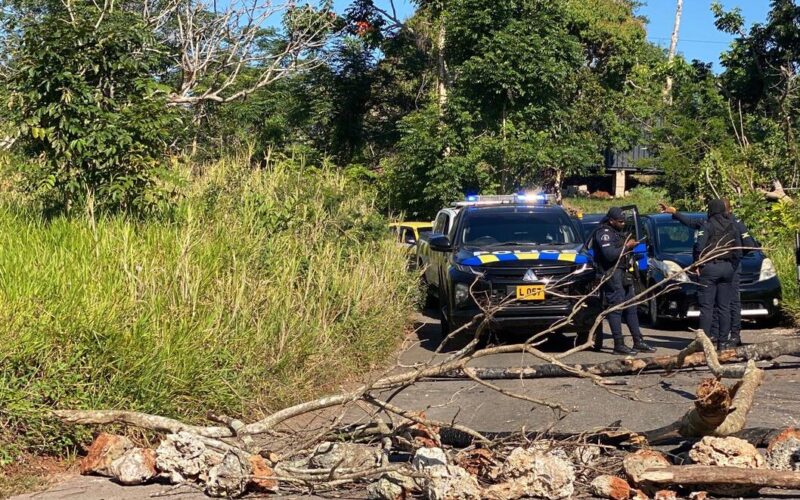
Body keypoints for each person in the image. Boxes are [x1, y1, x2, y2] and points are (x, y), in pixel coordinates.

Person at [659, 199, 756, 349]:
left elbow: (748, 245)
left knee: (723, 304)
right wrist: (676, 213)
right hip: (728, 267)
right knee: (721, 305)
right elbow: (692, 222)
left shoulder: (732, 222)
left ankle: (732, 336)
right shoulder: (722, 223)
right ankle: (719, 338)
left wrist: (699, 263)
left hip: (724, 267)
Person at [592, 207, 656, 355]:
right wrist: (627, 246)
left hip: (623, 273)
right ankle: (618, 344)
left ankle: (638, 341)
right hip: (611, 274)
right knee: (616, 308)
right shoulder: (604, 233)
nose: (622, 224)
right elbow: (609, 255)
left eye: (623, 221)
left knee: (631, 308)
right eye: (620, 221)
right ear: (611, 220)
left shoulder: (617, 232)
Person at [694, 199, 742, 349]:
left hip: (710, 268)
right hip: (728, 268)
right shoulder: (732, 226)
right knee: (724, 307)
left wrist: (698, 264)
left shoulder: (707, 226)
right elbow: (739, 250)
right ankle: (723, 343)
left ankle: (705, 343)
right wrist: (732, 266)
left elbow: (699, 247)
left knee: (707, 307)